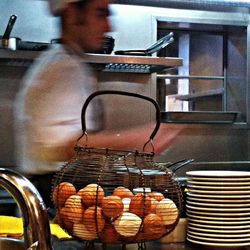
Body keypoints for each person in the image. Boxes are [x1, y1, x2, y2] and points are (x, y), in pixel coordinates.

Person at [14, 0, 182, 209]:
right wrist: (139, 140)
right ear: (72, 15)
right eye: (101, 13)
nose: (109, 26)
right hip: (55, 205)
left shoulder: (68, 63)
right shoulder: (61, 69)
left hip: (62, 200)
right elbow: (68, 147)